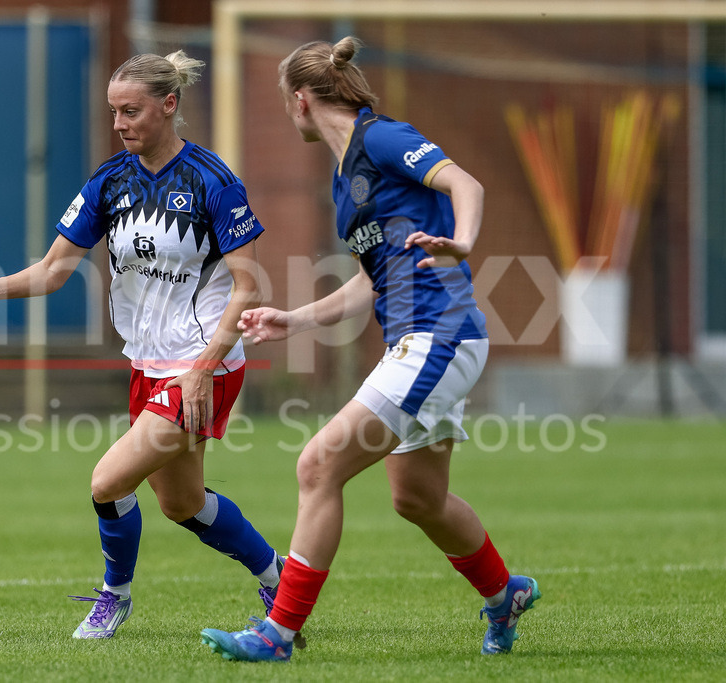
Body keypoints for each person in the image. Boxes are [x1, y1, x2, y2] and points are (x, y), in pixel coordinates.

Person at [200, 36, 539, 662]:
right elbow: (369, 282)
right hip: (423, 340)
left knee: (317, 466)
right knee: (418, 498)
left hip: (438, 334)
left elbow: (465, 184)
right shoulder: (343, 180)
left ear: (301, 100)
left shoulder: (381, 138)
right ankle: (505, 594)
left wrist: (463, 242)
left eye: (285, 102)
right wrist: (294, 320)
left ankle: (276, 635)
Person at [0, 50, 283, 639]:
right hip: (148, 365)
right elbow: (53, 270)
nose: (119, 124)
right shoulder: (110, 182)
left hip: (203, 365)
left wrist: (203, 368)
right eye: (113, 112)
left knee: (107, 481)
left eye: (130, 111)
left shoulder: (213, 181)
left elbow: (249, 286)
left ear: (169, 104)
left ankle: (114, 598)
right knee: (182, 505)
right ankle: (278, 578)